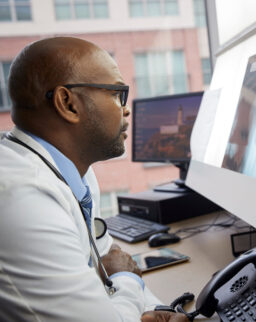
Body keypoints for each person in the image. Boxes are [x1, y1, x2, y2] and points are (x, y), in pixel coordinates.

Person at [0, 37, 188, 322]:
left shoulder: (76, 172)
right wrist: (128, 279)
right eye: (117, 94)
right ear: (68, 103)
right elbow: (116, 274)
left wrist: (160, 310)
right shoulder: (23, 199)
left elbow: (105, 261)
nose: (125, 109)